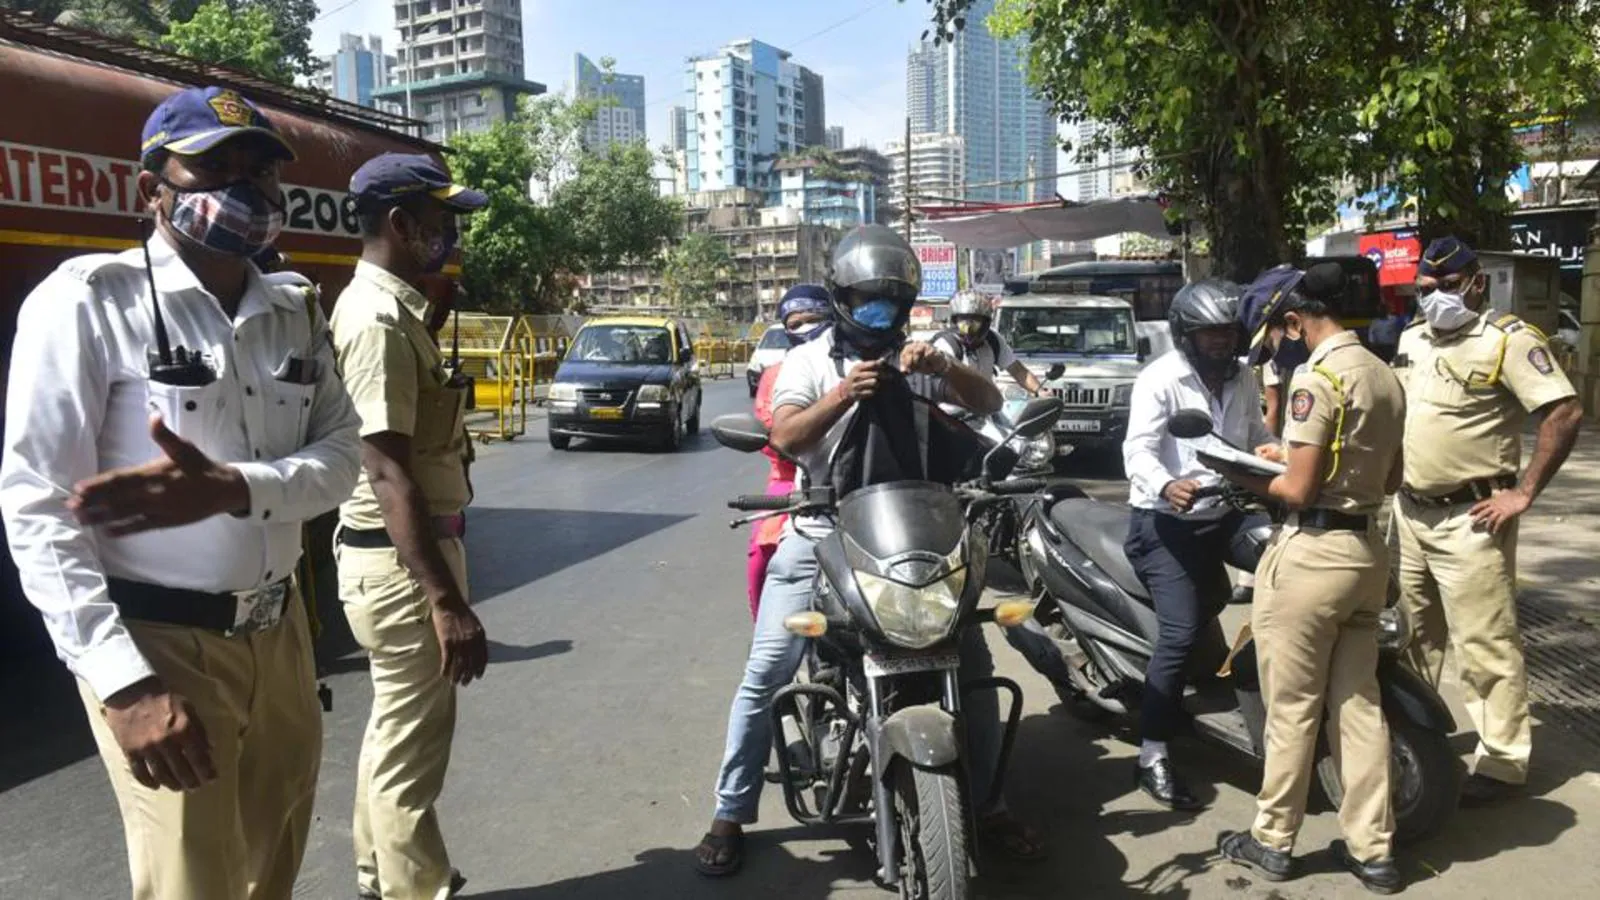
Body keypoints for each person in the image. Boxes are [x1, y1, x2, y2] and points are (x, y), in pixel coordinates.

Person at [0, 86, 361, 899]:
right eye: (212, 167)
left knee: (274, 869)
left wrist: (235, 488)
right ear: (150, 188)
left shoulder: (294, 306)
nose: (243, 189)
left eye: (259, 170)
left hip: (284, 635)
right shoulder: (89, 302)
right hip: (163, 639)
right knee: (194, 884)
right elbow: (34, 503)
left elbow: (343, 458)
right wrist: (121, 681)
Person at [693, 225, 1044, 876]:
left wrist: (947, 370)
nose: (883, 315)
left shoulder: (919, 358)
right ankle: (730, 810)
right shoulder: (808, 360)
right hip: (821, 535)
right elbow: (787, 434)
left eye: (895, 304)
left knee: (972, 665)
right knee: (767, 668)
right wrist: (840, 394)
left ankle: (990, 805)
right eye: (870, 302)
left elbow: (992, 401)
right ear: (843, 299)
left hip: (914, 538)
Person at [1214, 261, 1406, 894]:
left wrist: (1235, 468)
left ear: (1294, 321)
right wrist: (1283, 453)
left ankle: (1272, 840)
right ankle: (1373, 850)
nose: (1275, 345)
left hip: (1312, 557)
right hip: (1365, 556)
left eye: (1274, 333)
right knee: (1359, 707)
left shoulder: (1314, 379)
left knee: (1292, 710)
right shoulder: (1382, 372)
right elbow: (1391, 477)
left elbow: (1296, 489)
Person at [330, 153, 491, 900]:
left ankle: (377, 870)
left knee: (393, 733)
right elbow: (388, 471)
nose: (450, 234)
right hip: (402, 568)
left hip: (389, 560)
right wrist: (445, 601)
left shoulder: (393, 309)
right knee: (412, 753)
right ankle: (412, 889)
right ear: (401, 223)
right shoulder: (378, 321)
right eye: (442, 220)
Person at [1392, 236, 1582, 806]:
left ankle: (1502, 763)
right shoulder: (1411, 340)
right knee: (1409, 638)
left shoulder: (1507, 341)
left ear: (1476, 282)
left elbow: (1564, 411)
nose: (1437, 299)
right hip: (1409, 512)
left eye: (1448, 287)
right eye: (1427, 290)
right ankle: (1413, 740)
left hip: (1472, 519)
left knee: (1486, 646)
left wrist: (1524, 493)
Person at [1120, 278, 1276, 810]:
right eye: (1209, 333)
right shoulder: (1159, 379)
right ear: (1186, 334)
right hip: (1164, 524)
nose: (1220, 341)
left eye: (1228, 331)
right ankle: (1152, 752)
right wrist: (1166, 483)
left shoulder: (1245, 376)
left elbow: (1253, 434)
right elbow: (1138, 451)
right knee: (1182, 633)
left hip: (1224, 513)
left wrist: (1277, 451)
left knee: (1293, 564)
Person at [746, 284, 833, 620]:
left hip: (860, 483)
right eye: (795, 324)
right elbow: (777, 437)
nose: (805, 329)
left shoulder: (860, 364)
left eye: (815, 319)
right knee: (762, 561)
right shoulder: (776, 376)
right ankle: (766, 637)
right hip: (793, 481)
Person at [931, 289, 1048, 395]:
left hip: (984, 411)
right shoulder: (945, 345)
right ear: (954, 321)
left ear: (985, 322)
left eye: (975, 319)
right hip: (949, 413)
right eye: (963, 319)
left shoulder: (993, 340)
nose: (968, 325)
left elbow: (1017, 370)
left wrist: (1040, 391)